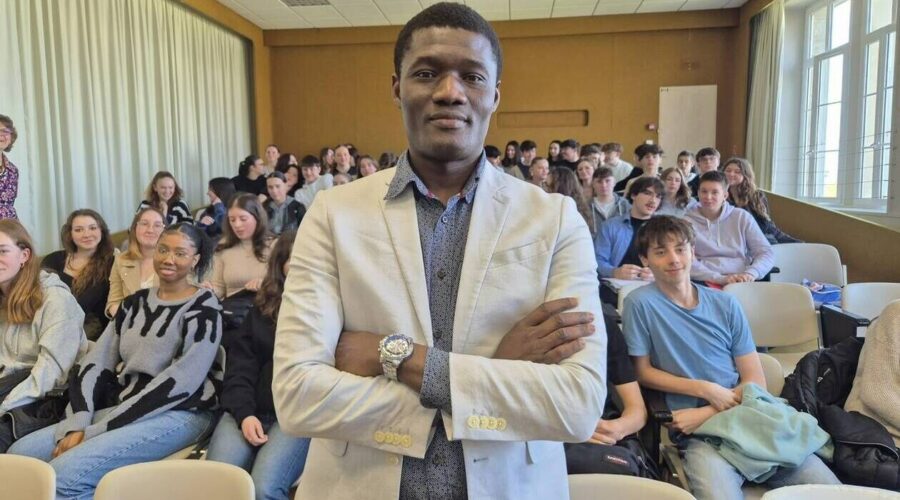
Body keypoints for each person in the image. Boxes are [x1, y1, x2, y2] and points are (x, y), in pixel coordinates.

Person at [272, 4, 606, 499]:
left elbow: (577, 405)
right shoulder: (333, 214)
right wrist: (491, 372)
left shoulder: (553, 219)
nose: (450, 92)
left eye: (472, 76)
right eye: (427, 73)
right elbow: (297, 395)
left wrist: (397, 357)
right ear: (397, 88)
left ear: (494, 95)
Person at [622, 216, 840, 500]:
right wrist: (704, 389)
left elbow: (754, 380)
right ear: (645, 259)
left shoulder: (725, 303)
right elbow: (642, 371)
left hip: (748, 418)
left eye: (680, 249)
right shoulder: (639, 303)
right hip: (700, 436)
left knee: (831, 492)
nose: (673, 259)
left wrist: (709, 409)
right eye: (660, 252)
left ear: (693, 252)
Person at [9, 223, 222, 500]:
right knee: (20, 456)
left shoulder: (204, 307)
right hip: (125, 407)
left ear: (195, 259)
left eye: (180, 253)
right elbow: (95, 363)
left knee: (63, 477)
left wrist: (94, 432)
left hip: (181, 412)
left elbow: (180, 383)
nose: (169, 259)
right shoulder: (134, 303)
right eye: (163, 250)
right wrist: (78, 421)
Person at [207, 230, 310, 500]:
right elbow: (240, 367)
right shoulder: (263, 308)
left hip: (296, 417)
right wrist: (245, 414)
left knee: (263, 488)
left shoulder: (330, 311)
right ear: (281, 265)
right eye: (293, 259)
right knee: (218, 484)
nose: (301, 265)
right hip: (248, 408)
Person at [0, 220, 89, 452]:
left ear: (24, 255)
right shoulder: (4, 297)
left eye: (2, 251)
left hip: (45, 397)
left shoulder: (56, 300)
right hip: (11, 387)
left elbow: (51, 376)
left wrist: (4, 405)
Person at [565, 314, 649, 476]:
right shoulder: (523, 325)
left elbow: (638, 411)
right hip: (547, 438)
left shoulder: (602, 323)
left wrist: (617, 428)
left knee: (621, 472)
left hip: (600, 435)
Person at [685, 171, 774, 285]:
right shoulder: (686, 222)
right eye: (704, 191)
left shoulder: (742, 217)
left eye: (715, 192)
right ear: (698, 193)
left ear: (725, 196)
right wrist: (719, 278)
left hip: (741, 279)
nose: (708, 197)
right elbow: (686, 259)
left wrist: (751, 273)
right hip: (703, 279)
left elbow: (765, 252)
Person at [41, 209, 115, 340]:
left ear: (102, 231)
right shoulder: (52, 260)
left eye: (92, 228)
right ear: (70, 234)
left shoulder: (112, 264)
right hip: (50, 327)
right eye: (78, 230)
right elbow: (40, 297)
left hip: (91, 335)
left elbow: (84, 305)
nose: (86, 234)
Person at [594, 177, 662, 281]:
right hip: (616, 285)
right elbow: (598, 260)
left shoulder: (664, 229)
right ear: (633, 195)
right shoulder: (610, 226)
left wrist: (658, 274)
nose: (653, 200)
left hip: (653, 285)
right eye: (647, 193)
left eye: (658, 196)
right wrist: (615, 272)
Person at [209, 193, 273, 300]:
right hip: (233, 306)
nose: (237, 225)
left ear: (257, 218)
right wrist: (209, 290)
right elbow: (219, 287)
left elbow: (286, 283)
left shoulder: (275, 245)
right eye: (232, 220)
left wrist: (265, 284)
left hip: (266, 303)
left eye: (243, 219)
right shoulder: (223, 246)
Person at [721, 157, 800, 244]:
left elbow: (767, 225)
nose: (731, 174)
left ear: (745, 175)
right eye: (728, 171)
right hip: (731, 242)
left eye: (737, 172)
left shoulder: (757, 196)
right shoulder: (718, 196)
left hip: (758, 240)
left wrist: (797, 243)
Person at [105, 208, 165, 318]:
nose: (150, 230)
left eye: (157, 225)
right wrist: (131, 321)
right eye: (144, 224)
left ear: (165, 231)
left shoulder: (176, 261)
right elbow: (114, 302)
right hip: (127, 323)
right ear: (134, 228)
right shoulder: (121, 260)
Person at [588, 167, 630, 236]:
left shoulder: (625, 205)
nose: (604, 185)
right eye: (599, 182)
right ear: (593, 184)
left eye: (607, 181)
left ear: (614, 182)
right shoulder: (586, 207)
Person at [0, 115, 20, 220]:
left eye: (5, 131)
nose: (1, 135)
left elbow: (10, 205)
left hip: (8, 225)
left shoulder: (13, 170)